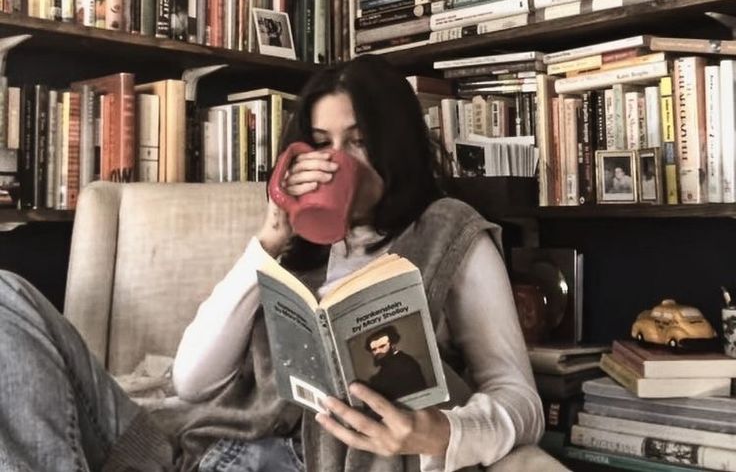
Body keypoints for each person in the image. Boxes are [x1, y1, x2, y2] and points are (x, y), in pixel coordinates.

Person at [0, 54, 544, 472]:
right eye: (322, 144)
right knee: (6, 295)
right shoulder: (292, 245)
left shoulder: (451, 232)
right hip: (193, 450)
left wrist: (438, 434)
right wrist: (270, 239)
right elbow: (191, 382)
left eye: (357, 143)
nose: (335, 163)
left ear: (396, 146)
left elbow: (521, 402)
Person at [363, 325, 428, 401]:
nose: (378, 352)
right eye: (374, 349)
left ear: (393, 345)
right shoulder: (386, 365)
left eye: (382, 346)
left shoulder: (405, 363)